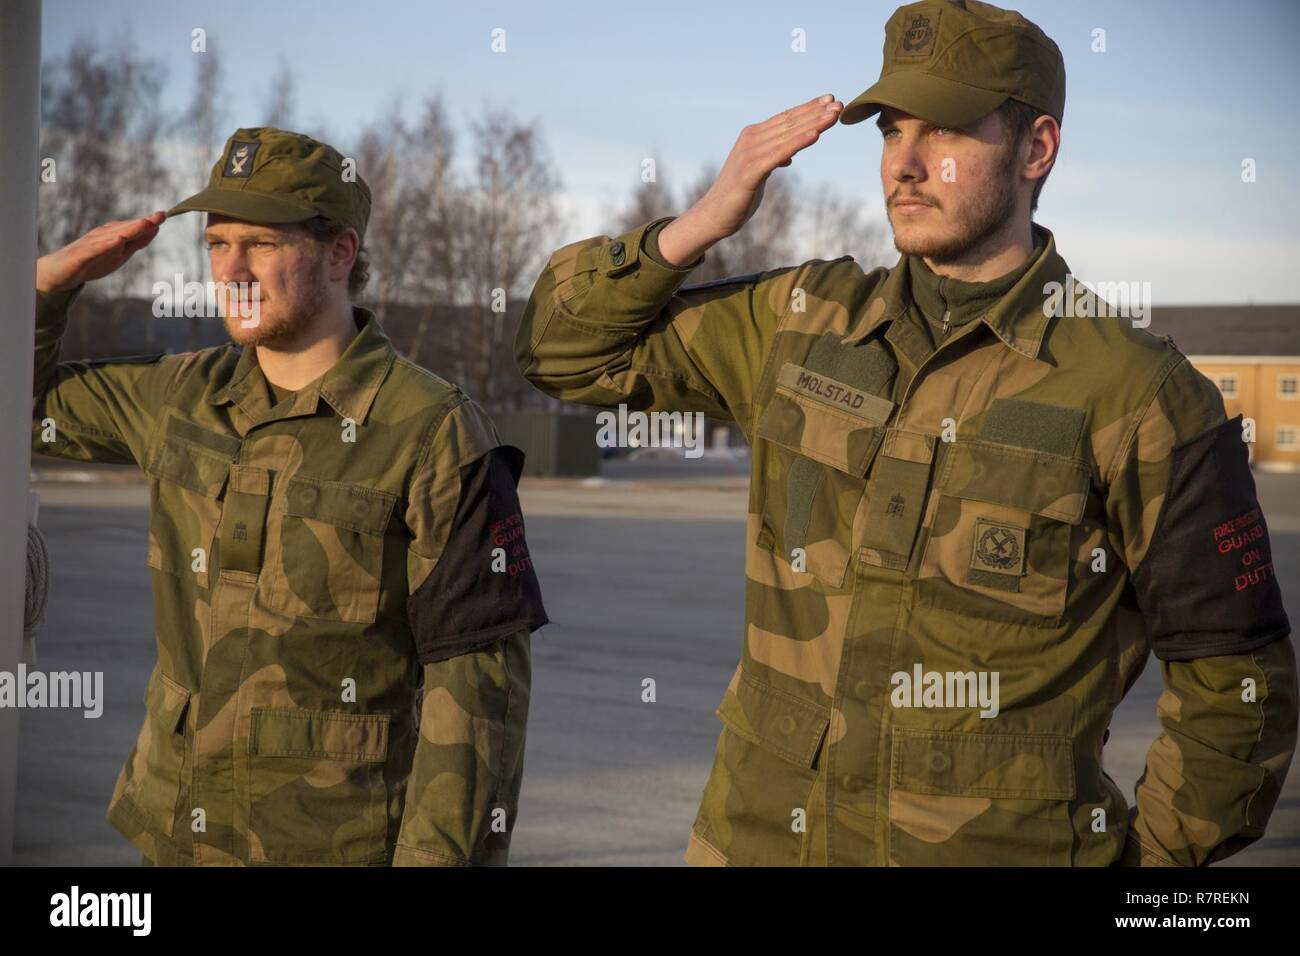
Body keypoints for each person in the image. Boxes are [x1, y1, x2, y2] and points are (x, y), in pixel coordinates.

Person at [515, 0, 1297, 866]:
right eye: (892, 133)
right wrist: (697, 226)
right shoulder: (800, 321)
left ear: (1038, 149)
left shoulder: (1140, 394)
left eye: (948, 132)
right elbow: (560, 352)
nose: (907, 166)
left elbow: (1240, 685)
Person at [33, 127, 548, 866]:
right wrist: (47, 286)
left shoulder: (434, 431)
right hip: (177, 833)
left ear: (340, 253)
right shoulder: (181, 397)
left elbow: (477, 698)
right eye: (216, 244)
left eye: (262, 244)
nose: (231, 268)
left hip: (334, 846)